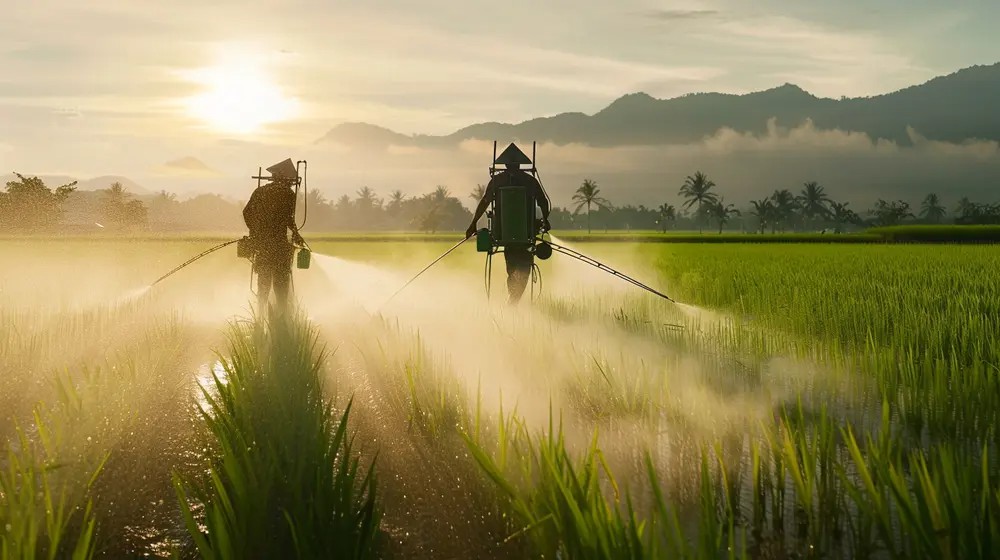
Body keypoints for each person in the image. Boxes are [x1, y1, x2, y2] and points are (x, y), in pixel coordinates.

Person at [466, 143, 551, 304]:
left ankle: (512, 301)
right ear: (520, 164)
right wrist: (545, 220)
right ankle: (513, 301)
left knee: (512, 267)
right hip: (525, 234)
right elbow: (543, 202)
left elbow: (485, 202)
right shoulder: (529, 180)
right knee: (523, 268)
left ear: (504, 164)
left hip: (504, 234)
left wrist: (473, 224)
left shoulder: (497, 181)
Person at [242, 158, 305, 315]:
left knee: (263, 281)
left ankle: (260, 313)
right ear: (286, 179)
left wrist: (256, 232)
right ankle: (282, 315)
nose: (291, 185)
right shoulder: (287, 194)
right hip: (279, 244)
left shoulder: (259, 192)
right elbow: (288, 218)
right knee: (281, 281)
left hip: (262, 245)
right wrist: (296, 234)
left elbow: (246, 213)